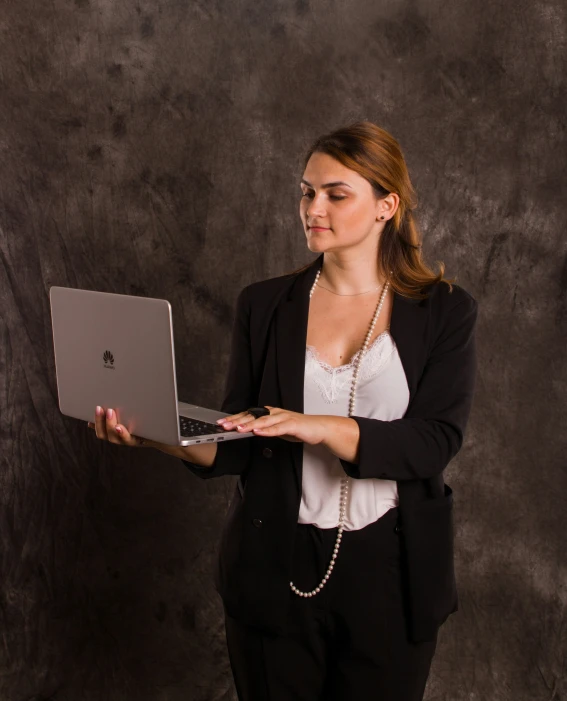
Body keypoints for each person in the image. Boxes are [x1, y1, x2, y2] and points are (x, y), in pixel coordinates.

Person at [90, 120, 478, 701]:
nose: (312, 207)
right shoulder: (265, 304)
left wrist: (314, 426)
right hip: (274, 564)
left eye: (335, 193)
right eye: (306, 191)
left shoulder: (444, 310)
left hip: (393, 571)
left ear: (385, 206)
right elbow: (237, 442)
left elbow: (433, 442)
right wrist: (153, 434)